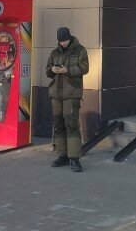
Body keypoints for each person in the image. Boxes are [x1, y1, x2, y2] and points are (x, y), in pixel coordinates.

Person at [46, 26, 89, 172]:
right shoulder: (54, 52)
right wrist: (52, 70)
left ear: (69, 38)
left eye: (65, 40)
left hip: (72, 93)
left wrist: (67, 70)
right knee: (59, 125)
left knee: (71, 125)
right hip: (56, 94)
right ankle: (62, 155)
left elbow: (85, 68)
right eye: (60, 41)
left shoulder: (80, 50)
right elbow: (48, 71)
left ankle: (74, 158)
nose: (63, 43)